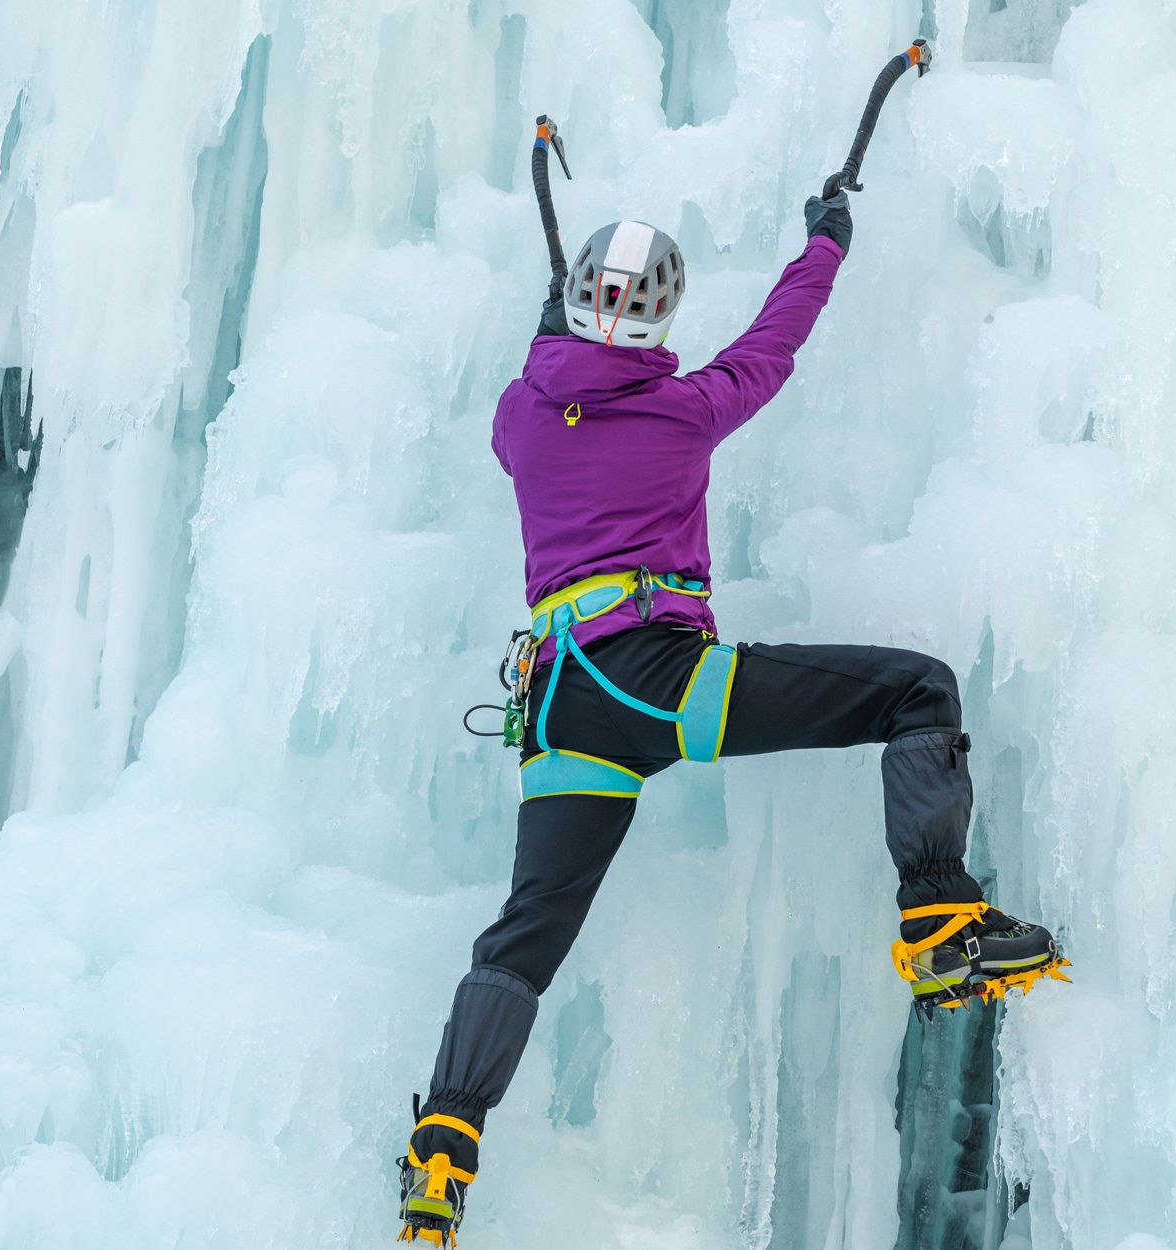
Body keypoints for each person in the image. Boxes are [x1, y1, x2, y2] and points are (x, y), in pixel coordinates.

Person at [395, 187, 1065, 1246]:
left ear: (570, 304)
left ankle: (442, 1143)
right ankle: (938, 915)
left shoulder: (518, 415)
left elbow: (547, 364)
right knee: (914, 688)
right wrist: (825, 238)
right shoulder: (687, 406)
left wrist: (551, 320)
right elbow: (776, 338)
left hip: (562, 709)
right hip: (657, 677)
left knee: (521, 940)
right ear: (661, 316)